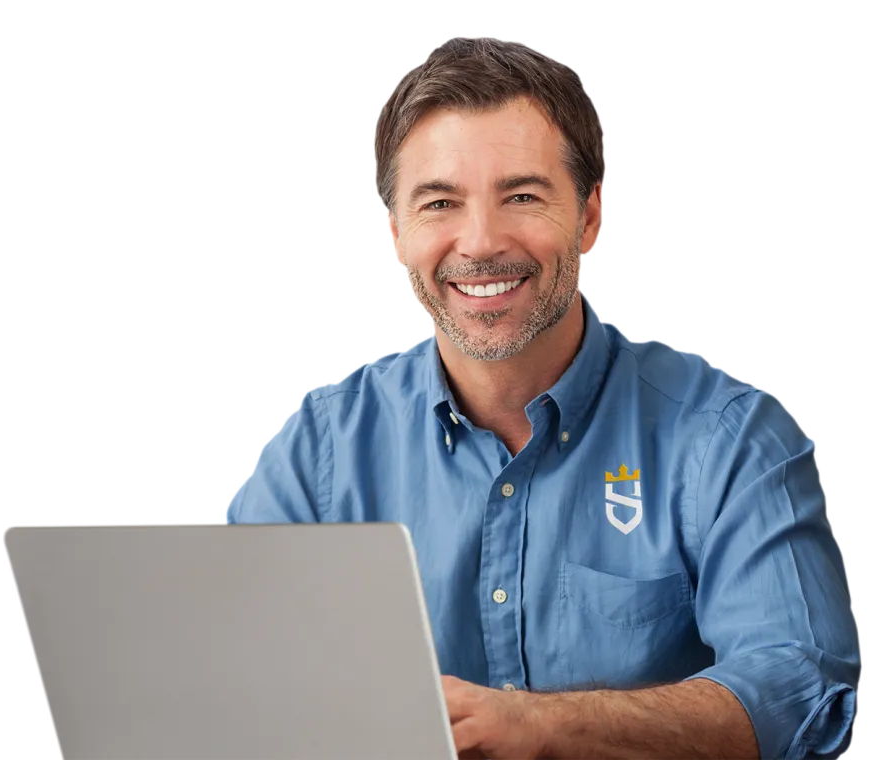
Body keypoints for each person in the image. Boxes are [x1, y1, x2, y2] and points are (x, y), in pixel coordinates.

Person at [225, 36, 861, 760]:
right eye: (441, 202)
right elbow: (231, 680)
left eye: (522, 196)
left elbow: (808, 699)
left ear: (590, 216)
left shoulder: (730, 438)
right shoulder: (318, 451)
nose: (481, 241)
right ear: (398, 235)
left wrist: (542, 727)